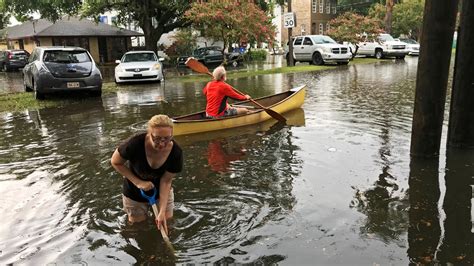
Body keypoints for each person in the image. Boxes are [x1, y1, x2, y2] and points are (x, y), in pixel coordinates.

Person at [111, 114, 183, 235]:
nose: (161, 144)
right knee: (138, 228)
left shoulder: (176, 152)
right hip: (135, 192)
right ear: (149, 133)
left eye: (166, 138)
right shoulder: (134, 144)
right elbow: (115, 162)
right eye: (157, 138)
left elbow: (166, 181)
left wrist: (161, 212)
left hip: (161, 191)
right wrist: (138, 182)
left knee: (167, 223)